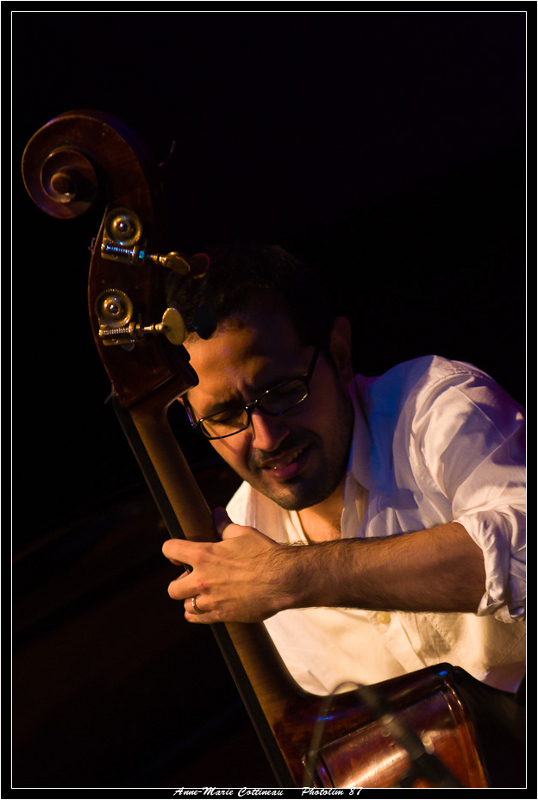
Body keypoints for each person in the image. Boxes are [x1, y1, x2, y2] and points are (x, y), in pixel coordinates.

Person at [161, 243, 526, 697]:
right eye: (224, 415)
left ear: (338, 353)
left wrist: (290, 577)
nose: (266, 437)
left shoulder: (438, 406)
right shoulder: (235, 552)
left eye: (282, 391)